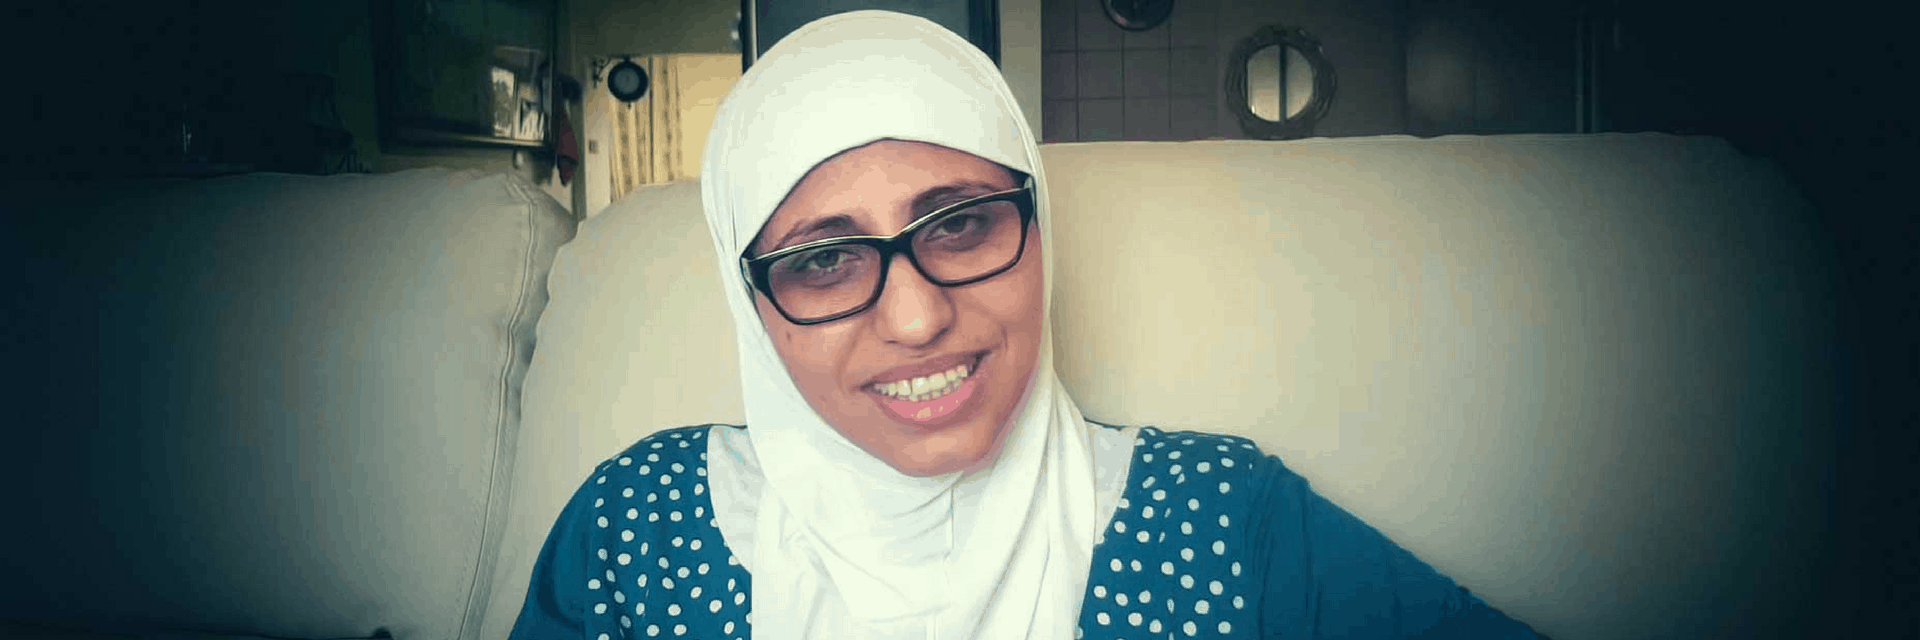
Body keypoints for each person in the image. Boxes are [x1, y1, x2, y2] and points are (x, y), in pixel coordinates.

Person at [510, 10, 1547, 640]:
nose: (917, 317)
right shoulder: (632, 533)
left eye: (959, 224)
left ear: (1037, 227)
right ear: (753, 305)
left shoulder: (1222, 522)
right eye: (824, 259)